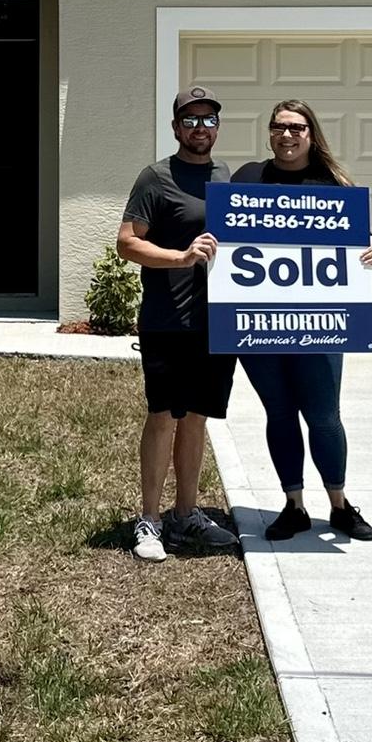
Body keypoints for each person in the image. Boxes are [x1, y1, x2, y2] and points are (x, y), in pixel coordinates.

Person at [233, 98, 372, 543]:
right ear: (269, 132)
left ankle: (339, 506)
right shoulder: (247, 179)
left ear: (311, 133)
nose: (286, 135)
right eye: (278, 127)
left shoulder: (333, 184)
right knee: (280, 413)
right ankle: (295, 506)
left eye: (296, 127)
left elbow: (355, 238)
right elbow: (227, 237)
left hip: (318, 322)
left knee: (324, 416)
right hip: (258, 321)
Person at [116, 86, 241, 562]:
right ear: (175, 128)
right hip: (168, 319)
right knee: (163, 416)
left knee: (196, 418)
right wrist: (181, 257)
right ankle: (149, 519)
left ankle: (186, 513)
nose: (200, 128)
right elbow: (128, 242)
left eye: (208, 120)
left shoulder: (226, 177)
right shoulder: (156, 178)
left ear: (217, 127)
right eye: (190, 120)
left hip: (216, 321)